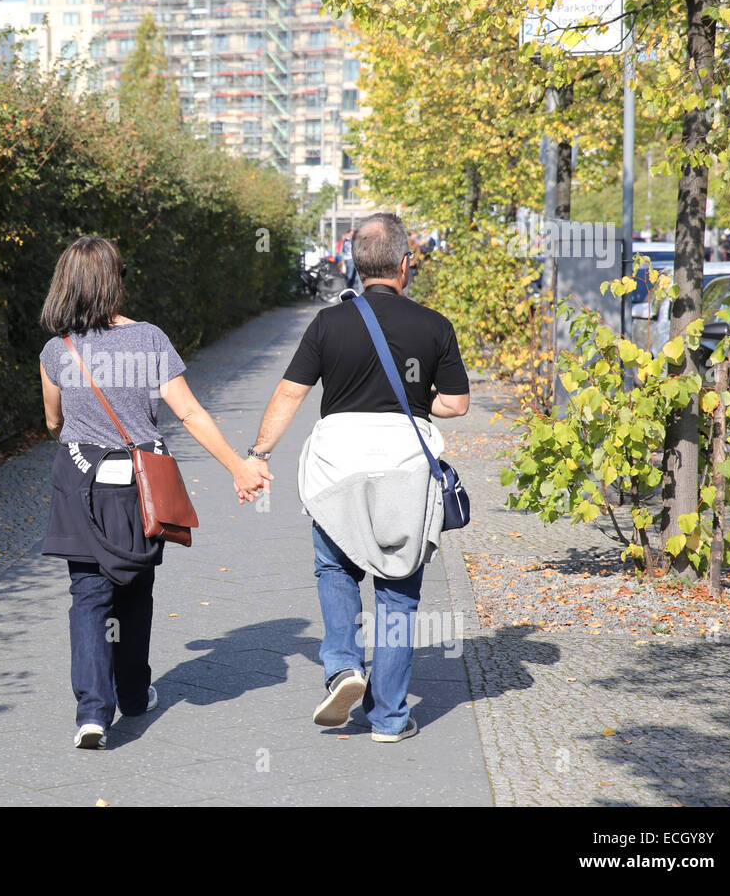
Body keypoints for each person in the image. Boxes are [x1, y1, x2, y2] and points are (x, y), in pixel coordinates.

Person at [243, 213, 469, 742]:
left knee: (335, 567)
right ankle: (389, 718)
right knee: (397, 590)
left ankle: (343, 665)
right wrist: (417, 401)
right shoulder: (434, 325)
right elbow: (456, 404)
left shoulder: (328, 323)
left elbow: (290, 393)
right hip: (404, 469)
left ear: (356, 264)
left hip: (337, 467)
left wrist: (257, 454)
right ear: (405, 264)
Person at [38, 235, 271, 750]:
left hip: (80, 483)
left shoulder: (56, 350)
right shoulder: (149, 339)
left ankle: (92, 715)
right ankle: (134, 694)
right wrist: (238, 466)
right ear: (114, 282)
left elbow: (54, 421)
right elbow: (188, 412)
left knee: (88, 595)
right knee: (135, 591)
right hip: (138, 484)